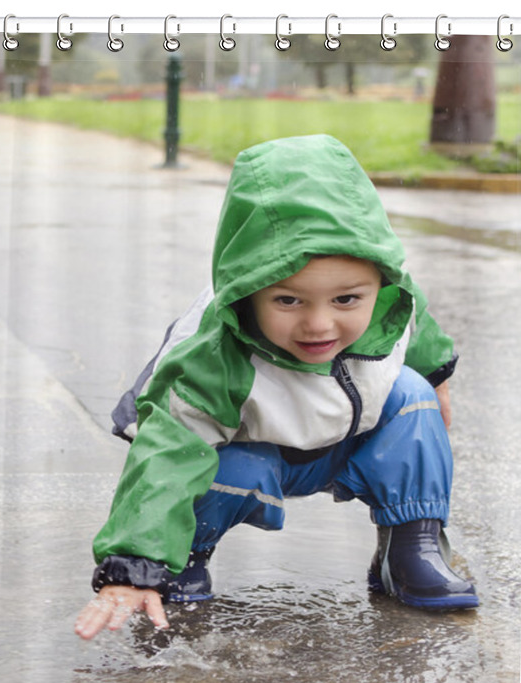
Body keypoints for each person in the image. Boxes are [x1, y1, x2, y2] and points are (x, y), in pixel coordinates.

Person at [75, 134, 478, 641]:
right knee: (220, 465)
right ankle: (182, 560)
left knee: (413, 396)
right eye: (288, 301)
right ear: (248, 290)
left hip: (346, 440)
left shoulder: (391, 300)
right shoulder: (212, 356)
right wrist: (135, 566)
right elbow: (167, 455)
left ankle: (410, 546)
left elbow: (419, 330)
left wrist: (438, 376)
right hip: (249, 456)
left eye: (347, 299)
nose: (320, 324)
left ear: (382, 283)